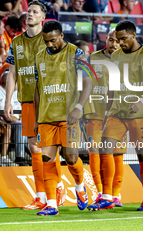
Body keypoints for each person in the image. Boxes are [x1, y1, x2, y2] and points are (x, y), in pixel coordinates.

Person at [5, 1, 65, 210]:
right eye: (28, 11)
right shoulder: (16, 42)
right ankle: (41, 195)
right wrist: (8, 101)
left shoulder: (48, 39)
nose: (30, 14)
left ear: (42, 18)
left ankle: (55, 187)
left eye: (35, 12)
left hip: (48, 100)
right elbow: (12, 73)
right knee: (34, 148)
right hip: (27, 100)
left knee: (46, 147)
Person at [99, 20, 143, 211]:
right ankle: (108, 196)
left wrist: (141, 101)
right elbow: (112, 86)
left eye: (123, 39)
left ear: (133, 35)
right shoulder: (116, 56)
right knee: (104, 150)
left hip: (139, 113)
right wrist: (106, 110)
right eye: (117, 39)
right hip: (117, 113)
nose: (120, 43)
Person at [33, 20, 92, 216]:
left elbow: (88, 81)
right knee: (47, 159)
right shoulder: (39, 57)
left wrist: (78, 107)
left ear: (61, 36)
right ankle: (51, 204)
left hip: (69, 117)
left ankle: (79, 185)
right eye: (45, 41)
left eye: (52, 41)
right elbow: (37, 88)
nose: (49, 45)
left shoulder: (76, 53)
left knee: (71, 157)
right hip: (46, 117)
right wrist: (36, 117)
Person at [82, 29, 126, 210]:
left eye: (116, 41)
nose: (113, 44)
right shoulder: (92, 58)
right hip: (95, 114)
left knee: (116, 155)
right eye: (110, 40)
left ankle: (115, 194)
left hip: (117, 116)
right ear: (105, 39)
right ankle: (100, 193)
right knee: (94, 153)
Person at [0, 72, 21, 166]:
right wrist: (18, 120)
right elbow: (5, 115)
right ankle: (20, 156)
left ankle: (33, 153)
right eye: (16, 81)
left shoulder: (15, 92)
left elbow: (20, 111)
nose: (18, 83)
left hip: (15, 122)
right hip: (2, 122)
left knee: (24, 125)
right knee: (20, 125)